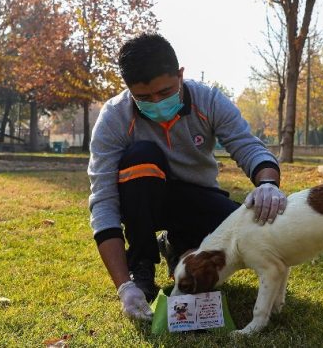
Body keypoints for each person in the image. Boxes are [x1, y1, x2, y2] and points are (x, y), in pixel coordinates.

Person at [87, 33, 287, 321]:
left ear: (180, 75)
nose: (156, 103)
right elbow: (103, 199)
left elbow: (247, 146)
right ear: (128, 89)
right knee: (141, 157)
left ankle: (179, 245)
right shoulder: (114, 117)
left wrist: (267, 184)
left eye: (165, 91)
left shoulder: (209, 100)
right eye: (143, 97)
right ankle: (141, 264)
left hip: (197, 196)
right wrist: (123, 286)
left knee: (245, 231)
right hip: (144, 199)